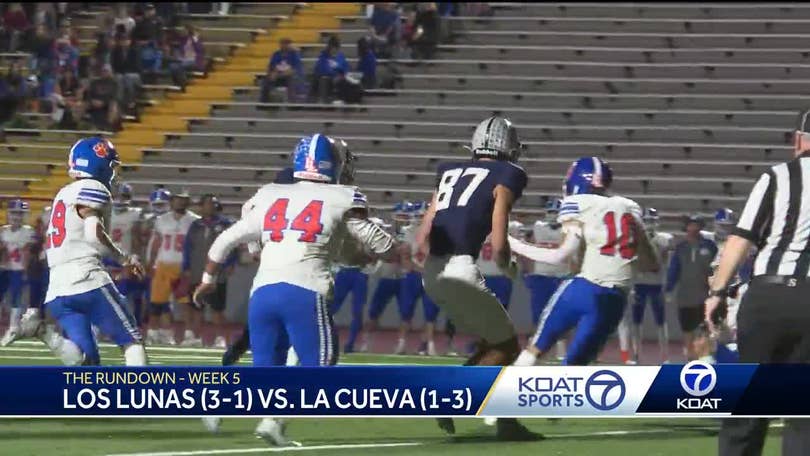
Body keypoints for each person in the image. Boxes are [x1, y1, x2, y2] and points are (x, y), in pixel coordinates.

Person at [193, 134, 396, 445]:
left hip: (262, 293)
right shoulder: (341, 196)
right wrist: (393, 249)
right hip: (303, 290)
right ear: (332, 164)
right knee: (322, 364)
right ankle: (275, 420)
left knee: (268, 375)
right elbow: (378, 242)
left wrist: (208, 280)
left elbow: (225, 240)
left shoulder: (272, 193)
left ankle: (238, 409)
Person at [416, 116, 537, 440]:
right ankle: (449, 400)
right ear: (508, 146)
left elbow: (422, 235)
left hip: (432, 270)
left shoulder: (448, 171)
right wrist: (508, 266)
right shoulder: (509, 174)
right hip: (461, 268)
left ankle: (506, 421)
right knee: (508, 346)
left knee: (491, 343)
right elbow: (499, 241)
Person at [706, 110, 810, 456]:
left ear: (799, 140)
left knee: (748, 408)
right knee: (803, 415)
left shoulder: (779, 176)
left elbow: (741, 238)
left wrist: (718, 291)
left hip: (769, 295)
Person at [10, 137, 147, 367]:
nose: (113, 173)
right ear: (98, 163)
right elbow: (93, 232)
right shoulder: (93, 187)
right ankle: (142, 398)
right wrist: (124, 258)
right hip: (87, 279)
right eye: (111, 166)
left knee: (87, 363)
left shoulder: (63, 193)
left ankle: (45, 333)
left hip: (57, 288)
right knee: (131, 341)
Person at [516, 198, 571, 359]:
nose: (552, 215)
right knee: (538, 316)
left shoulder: (569, 230)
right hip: (541, 276)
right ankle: (536, 350)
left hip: (561, 276)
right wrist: (526, 271)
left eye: (556, 212)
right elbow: (526, 246)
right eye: (550, 212)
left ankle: (562, 350)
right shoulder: (538, 227)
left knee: (562, 315)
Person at [147, 189, 200, 346]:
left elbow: (197, 246)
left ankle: (188, 335)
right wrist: (150, 261)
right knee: (157, 302)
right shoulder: (162, 220)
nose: (181, 202)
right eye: (178, 199)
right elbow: (156, 241)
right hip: (163, 264)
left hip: (183, 266)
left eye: (184, 199)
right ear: (172, 201)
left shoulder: (194, 220)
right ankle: (155, 332)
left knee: (186, 303)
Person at [182, 194, 234, 348]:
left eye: (213, 204)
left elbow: (232, 245)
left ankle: (220, 337)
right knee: (196, 305)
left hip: (218, 272)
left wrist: (231, 262)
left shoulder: (225, 224)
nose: (210, 207)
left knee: (217, 308)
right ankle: (194, 336)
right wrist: (186, 266)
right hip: (197, 269)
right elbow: (187, 247)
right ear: (201, 206)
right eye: (207, 204)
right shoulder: (195, 225)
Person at [666, 214, 717, 360]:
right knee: (687, 329)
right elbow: (674, 269)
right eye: (690, 225)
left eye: (696, 224)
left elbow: (717, 267)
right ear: (686, 227)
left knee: (705, 328)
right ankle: (690, 359)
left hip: (705, 295)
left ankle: (705, 358)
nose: (693, 228)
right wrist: (669, 288)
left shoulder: (709, 246)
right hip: (686, 295)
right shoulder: (681, 247)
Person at [628, 207, 673, 364]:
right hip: (639, 284)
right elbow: (632, 264)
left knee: (661, 321)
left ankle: (665, 356)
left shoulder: (664, 239)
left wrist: (666, 286)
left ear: (657, 222)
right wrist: (631, 286)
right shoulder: (635, 239)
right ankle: (636, 355)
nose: (649, 224)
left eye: (651, 221)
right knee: (636, 321)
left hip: (656, 284)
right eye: (646, 221)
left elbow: (666, 264)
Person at [399, 201, 440, 356]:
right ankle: (401, 344)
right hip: (415, 275)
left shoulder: (439, 233)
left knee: (430, 314)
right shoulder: (409, 231)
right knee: (406, 312)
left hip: (430, 276)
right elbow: (405, 258)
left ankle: (429, 345)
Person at [108, 183, 146, 327]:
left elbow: (138, 238)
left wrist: (136, 256)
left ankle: (129, 325)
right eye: (117, 196)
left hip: (126, 258)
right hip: (106, 257)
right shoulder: (103, 211)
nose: (119, 199)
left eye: (123, 196)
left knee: (126, 294)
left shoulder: (136, 213)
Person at [0, 199, 35, 345]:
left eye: (19, 213)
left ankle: (13, 327)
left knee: (16, 298)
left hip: (19, 269)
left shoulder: (28, 232)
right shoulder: (3, 230)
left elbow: (28, 252)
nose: (16, 216)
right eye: (14, 213)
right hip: (3, 269)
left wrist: (27, 270)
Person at [260, 37, 303, 103]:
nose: (283, 45)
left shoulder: (294, 54)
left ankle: (293, 102)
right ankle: (264, 102)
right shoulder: (276, 54)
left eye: (286, 44)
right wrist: (273, 73)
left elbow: (294, 69)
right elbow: (272, 66)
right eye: (282, 43)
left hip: (289, 75)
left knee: (292, 79)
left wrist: (281, 74)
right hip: (278, 75)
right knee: (267, 80)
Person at [311, 35, 348, 103]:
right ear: (329, 47)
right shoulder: (323, 56)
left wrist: (339, 72)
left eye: (336, 49)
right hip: (326, 78)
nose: (334, 51)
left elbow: (345, 69)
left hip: (338, 78)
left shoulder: (340, 55)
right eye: (332, 49)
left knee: (345, 81)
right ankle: (324, 102)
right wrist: (333, 74)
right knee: (324, 79)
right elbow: (321, 69)